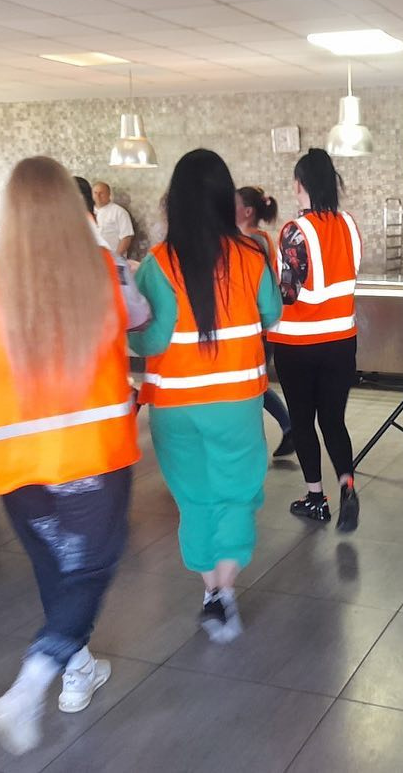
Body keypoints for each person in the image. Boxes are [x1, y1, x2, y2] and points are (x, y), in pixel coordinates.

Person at [0, 157, 146, 755]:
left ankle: (77, 669)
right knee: (90, 568)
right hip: (91, 455)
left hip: (16, 461)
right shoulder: (106, 268)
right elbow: (138, 317)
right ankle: (30, 685)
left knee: (56, 567)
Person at [130, 149, 282, 644]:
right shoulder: (251, 256)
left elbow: (149, 340)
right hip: (236, 404)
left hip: (175, 408)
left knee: (194, 499)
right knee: (236, 495)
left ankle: (209, 591)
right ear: (224, 199)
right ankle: (225, 591)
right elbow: (272, 314)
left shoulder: (157, 263)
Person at [267, 148, 362, 531]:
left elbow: (288, 293)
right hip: (341, 342)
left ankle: (316, 499)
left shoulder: (295, 231)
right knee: (334, 420)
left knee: (304, 422)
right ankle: (348, 485)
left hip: (298, 346)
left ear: (299, 185)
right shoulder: (349, 225)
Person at [236, 185, 294, 458]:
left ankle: (287, 428)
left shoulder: (252, 242)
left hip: (255, 328)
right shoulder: (255, 238)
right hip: (257, 327)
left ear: (247, 211)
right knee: (255, 385)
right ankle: (289, 427)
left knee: (253, 386)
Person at [92, 181, 134, 256]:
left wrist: (116, 258)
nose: (98, 196)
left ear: (109, 194)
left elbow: (126, 237)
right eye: (95, 193)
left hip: (112, 258)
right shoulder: (87, 211)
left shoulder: (119, 212)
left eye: (101, 193)